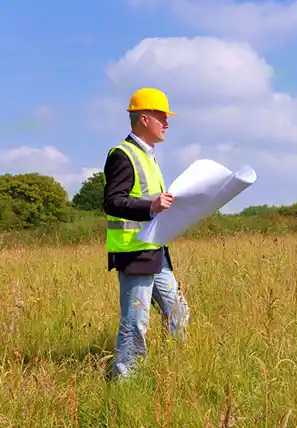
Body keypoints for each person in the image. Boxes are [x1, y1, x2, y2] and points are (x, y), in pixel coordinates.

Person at [102, 87, 189, 379]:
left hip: (155, 250)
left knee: (178, 312)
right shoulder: (123, 155)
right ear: (144, 119)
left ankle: (174, 370)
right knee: (134, 322)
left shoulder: (149, 155)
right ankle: (124, 383)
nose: (167, 123)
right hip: (134, 251)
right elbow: (112, 201)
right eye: (162, 116)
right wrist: (150, 206)